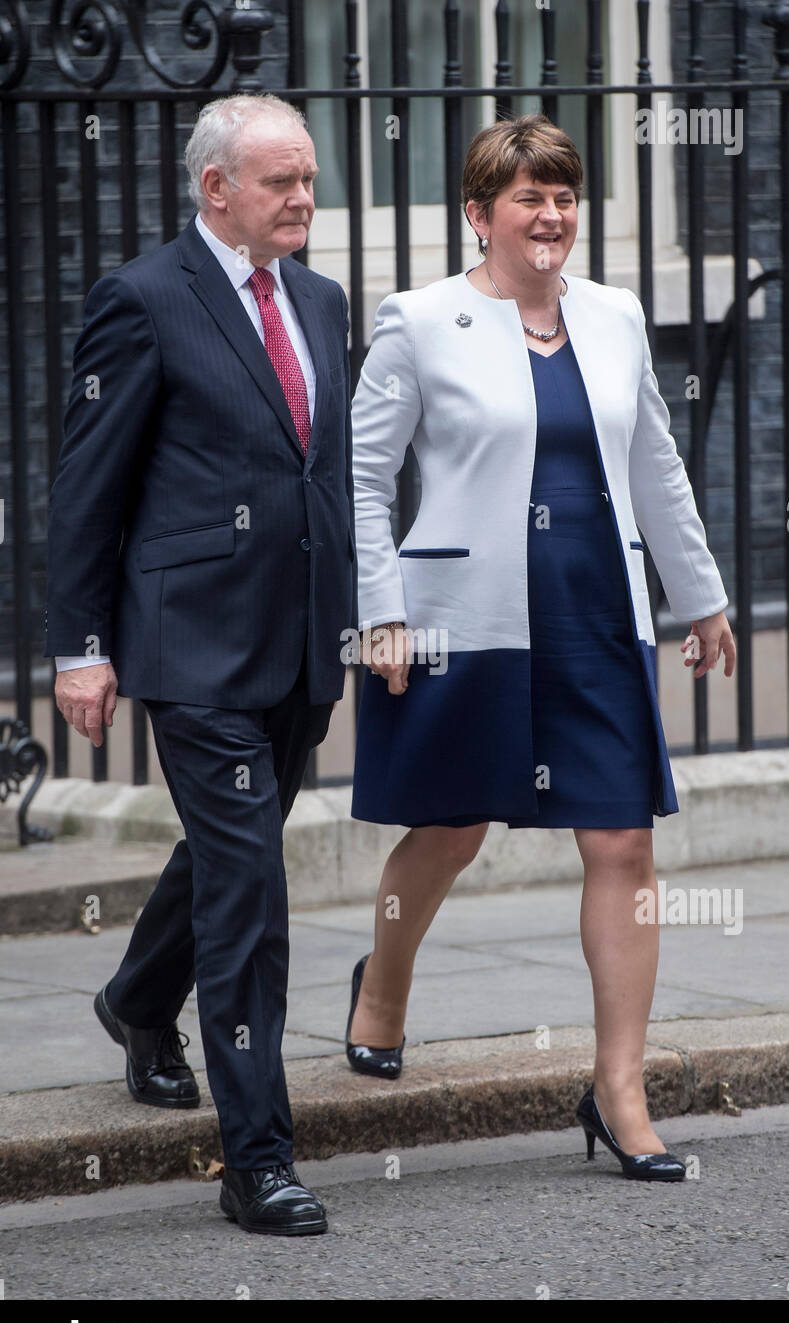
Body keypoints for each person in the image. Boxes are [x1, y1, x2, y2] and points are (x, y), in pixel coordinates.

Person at [345, 113, 735, 1181]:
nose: (553, 214)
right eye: (530, 197)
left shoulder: (613, 316)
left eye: (565, 196)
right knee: (453, 822)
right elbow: (364, 481)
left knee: (623, 844)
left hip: (594, 614)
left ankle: (619, 1088)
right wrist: (378, 610)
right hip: (463, 616)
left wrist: (701, 598)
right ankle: (380, 990)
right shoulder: (420, 320)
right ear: (481, 216)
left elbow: (656, 462)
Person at [45, 94, 357, 1234]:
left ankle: (135, 999)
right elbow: (87, 486)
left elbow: (324, 477)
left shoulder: (319, 300)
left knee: (239, 850)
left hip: (302, 638)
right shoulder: (142, 300)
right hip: (194, 647)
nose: (303, 199)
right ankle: (256, 1156)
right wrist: (80, 647)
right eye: (279, 182)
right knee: (251, 890)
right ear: (215, 188)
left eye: (309, 178)